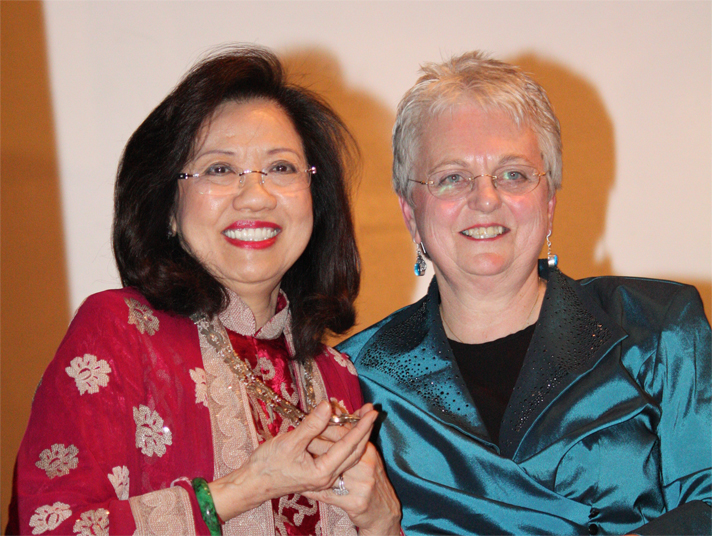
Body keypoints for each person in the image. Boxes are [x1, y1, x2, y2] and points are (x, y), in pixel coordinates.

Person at [7, 45, 401, 536]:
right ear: (170, 208)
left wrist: (383, 522)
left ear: (315, 203)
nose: (255, 194)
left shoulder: (334, 375)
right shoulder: (119, 334)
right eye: (219, 169)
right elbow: (47, 527)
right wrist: (247, 486)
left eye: (281, 168)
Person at [338, 51, 711, 535]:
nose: (486, 198)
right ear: (411, 213)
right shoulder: (352, 379)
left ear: (549, 201)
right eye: (452, 178)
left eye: (513, 174)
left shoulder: (660, 329)